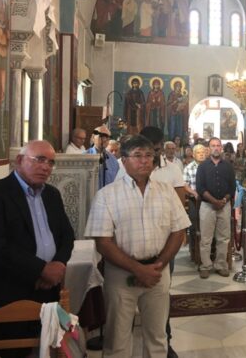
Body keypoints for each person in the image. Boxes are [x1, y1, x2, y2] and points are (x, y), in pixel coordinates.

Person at [85, 135, 190, 358]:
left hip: (158, 272)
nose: (144, 161)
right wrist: (138, 269)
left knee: (157, 337)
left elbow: (178, 230)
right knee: (117, 340)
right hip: (121, 275)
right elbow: (103, 242)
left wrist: (157, 266)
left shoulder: (166, 191)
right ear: (124, 161)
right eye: (137, 155)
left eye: (149, 155)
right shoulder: (107, 195)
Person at [0, 140, 74, 354]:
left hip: (47, 291)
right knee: (12, 352)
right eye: (40, 160)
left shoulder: (52, 195)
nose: (46, 167)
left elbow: (67, 235)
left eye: (51, 162)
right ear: (19, 160)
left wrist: (58, 263)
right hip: (7, 292)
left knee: (46, 349)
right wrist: (41, 269)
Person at [196, 137, 236, 278]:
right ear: (209, 148)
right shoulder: (202, 166)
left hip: (224, 206)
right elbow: (200, 188)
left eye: (218, 145)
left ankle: (221, 265)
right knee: (206, 238)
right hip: (207, 206)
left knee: (223, 238)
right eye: (213, 145)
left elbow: (232, 187)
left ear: (221, 148)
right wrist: (214, 201)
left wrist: (223, 200)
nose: (216, 148)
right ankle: (205, 266)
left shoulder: (228, 166)